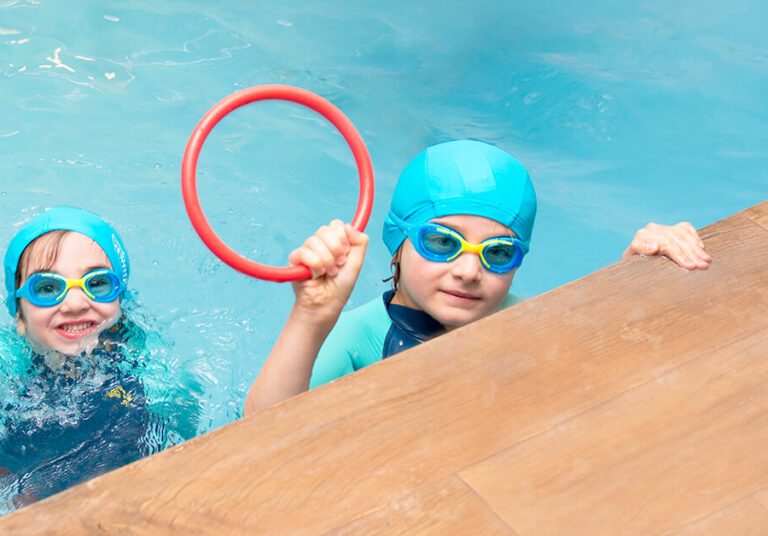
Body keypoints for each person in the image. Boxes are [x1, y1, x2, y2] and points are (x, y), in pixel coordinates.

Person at [244, 139, 711, 414]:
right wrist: (310, 316)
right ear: (398, 244)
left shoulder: (517, 320)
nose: (469, 271)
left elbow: (598, 359)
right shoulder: (356, 339)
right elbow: (252, 438)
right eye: (442, 243)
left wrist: (632, 275)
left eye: (498, 253)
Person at [0, 205, 195, 502]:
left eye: (98, 283)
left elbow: (181, 418)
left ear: (120, 297)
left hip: (125, 472)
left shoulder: (140, 351)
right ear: (20, 318)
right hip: (19, 474)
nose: (76, 303)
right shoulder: (13, 353)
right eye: (47, 288)